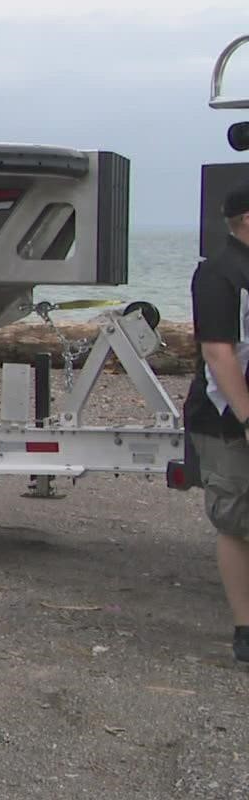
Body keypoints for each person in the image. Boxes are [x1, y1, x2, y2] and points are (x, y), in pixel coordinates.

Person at [186, 185, 249, 666]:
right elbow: (218, 352)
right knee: (237, 522)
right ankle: (245, 629)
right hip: (228, 419)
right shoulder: (219, 273)